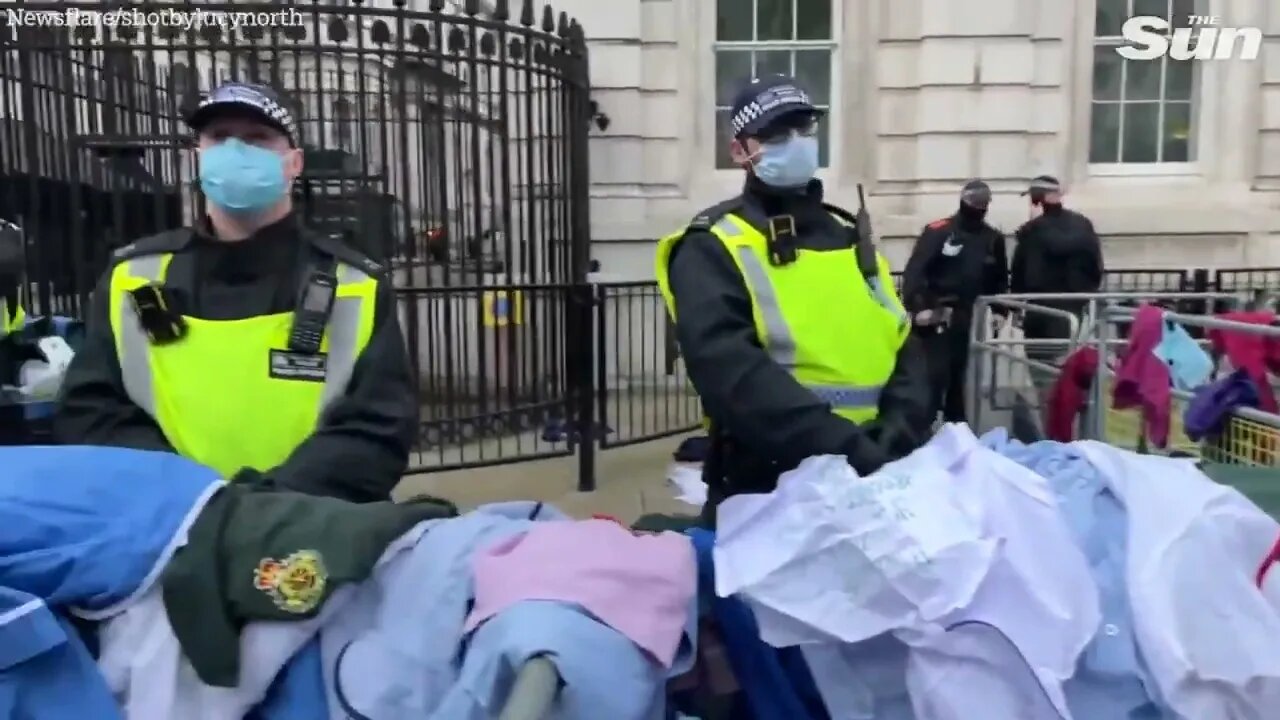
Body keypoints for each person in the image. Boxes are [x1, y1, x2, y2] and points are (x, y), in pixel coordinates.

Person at [55, 81, 418, 502]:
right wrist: (191, 499)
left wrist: (266, 503)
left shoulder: (356, 285)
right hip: (170, 528)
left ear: (294, 163)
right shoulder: (132, 277)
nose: (236, 152)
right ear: (198, 156)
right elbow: (91, 412)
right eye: (219, 137)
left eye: (257, 138)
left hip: (313, 530)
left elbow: (377, 428)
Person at [654, 74, 933, 518]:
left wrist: (898, 434)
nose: (797, 142)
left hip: (878, 481)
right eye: (777, 134)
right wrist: (849, 448)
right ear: (740, 151)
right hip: (769, 490)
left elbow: (903, 342)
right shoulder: (712, 244)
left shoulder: (850, 238)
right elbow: (733, 374)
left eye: (805, 129)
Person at [901, 179, 1008, 424]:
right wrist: (920, 307)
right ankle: (922, 427)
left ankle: (956, 427)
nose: (979, 209)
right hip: (937, 315)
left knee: (960, 379)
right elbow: (916, 271)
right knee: (932, 377)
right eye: (975, 204)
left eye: (983, 205)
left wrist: (1001, 311)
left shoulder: (992, 238)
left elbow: (999, 278)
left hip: (969, 316)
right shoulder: (939, 231)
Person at [1009, 175, 1104, 376]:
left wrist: (1016, 303)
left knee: (1040, 365)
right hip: (1072, 304)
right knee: (1059, 363)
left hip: (1040, 305)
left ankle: (1049, 405)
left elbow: (1021, 266)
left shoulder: (1034, 230)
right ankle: (1057, 404)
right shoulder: (1082, 225)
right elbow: (1095, 265)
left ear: (1037, 199)